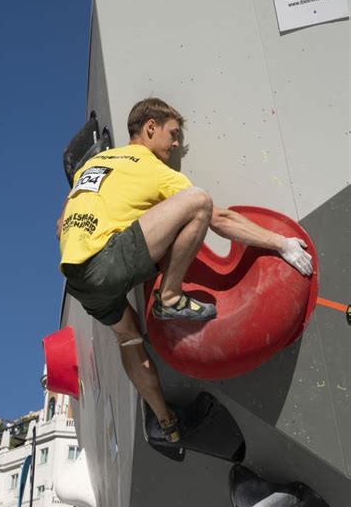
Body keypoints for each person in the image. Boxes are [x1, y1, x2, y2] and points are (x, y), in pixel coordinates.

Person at [57, 98, 312, 444]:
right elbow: (217, 218)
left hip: (77, 275)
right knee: (199, 201)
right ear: (150, 127)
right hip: (106, 261)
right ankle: (171, 296)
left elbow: (60, 225)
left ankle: (166, 422)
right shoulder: (150, 166)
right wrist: (279, 243)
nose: (176, 145)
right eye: (172, 134)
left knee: (128, 336)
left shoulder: (96, 164)